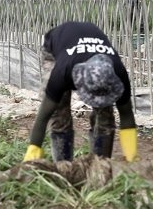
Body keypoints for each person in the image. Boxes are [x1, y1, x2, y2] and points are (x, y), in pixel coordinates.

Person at [23, 22, 140, 164]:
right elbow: (44, 115)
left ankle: (100, 166)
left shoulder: (117, 72)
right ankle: (63, 166)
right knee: (59, 112)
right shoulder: (62, 72)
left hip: (88, 47)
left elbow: (126, 113)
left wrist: (132, 157)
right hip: (56, 48)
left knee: (105, 115)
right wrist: (33, 150)